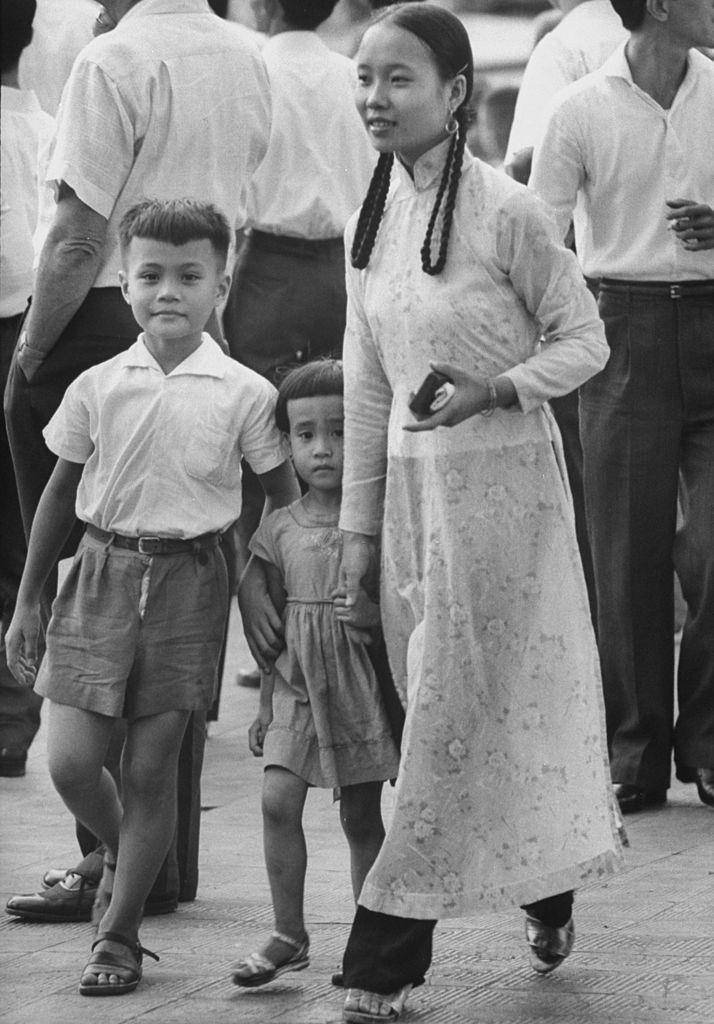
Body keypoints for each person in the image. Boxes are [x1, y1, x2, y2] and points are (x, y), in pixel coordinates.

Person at [298, 5, 620, 1021]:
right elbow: (362, 382)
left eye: (398, 80)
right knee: (463, 712)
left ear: (454, 93)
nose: (374, 99)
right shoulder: (375, 213)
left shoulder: (510, 211)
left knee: (447, 719)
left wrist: (494, 387)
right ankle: (549, 882)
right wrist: (355, 534)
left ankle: (384, 963)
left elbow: (586, 339)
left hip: (505, 500)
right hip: (408, 506)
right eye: (363, 78)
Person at [3, 0, 271, 917]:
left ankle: (111, 865)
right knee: (176, 606)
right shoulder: (248, 56)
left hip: (106, 316)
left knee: (97, 588)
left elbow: (80, 236)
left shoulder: (114, 59)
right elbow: (240, 214)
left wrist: (32, 351)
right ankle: (162, 866)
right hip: (204, 310)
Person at [5, 197, 298, 997]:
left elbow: (282, 497)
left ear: (221, 285)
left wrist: (257, 582)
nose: (169, 291)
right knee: (69, 763)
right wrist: (30, 599)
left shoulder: (242, 393)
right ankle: (134, 853)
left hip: (190, 584)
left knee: (151, 772)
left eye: (189, 276)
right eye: (151, 275)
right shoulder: (99, 385)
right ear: (125, 283)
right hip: (97, 574)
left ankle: (120, 934)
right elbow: (61, 496)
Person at [530, 0, 714, 813]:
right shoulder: (580, 110)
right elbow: (538, 244)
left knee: (712, 549)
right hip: (620, 330)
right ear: (665, 3)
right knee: (626, 553)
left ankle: (708, 743)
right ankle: (633, 752)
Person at [231, 360, 400, 989]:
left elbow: (409, 606)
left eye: (339, 431)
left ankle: (370, 939)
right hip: (297, 693)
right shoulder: (276, 529)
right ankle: (288, 933)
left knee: (360, 819)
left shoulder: (381, 522)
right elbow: (270, 631)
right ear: (287, 443)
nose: (323, 448)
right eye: (305, 435)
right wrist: (265, 706)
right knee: (277, 802)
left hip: (357, 693)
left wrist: (374, 612)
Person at [223, 0, 376, 689]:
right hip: (342, 267)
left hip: (269, 268)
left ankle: (275, 632)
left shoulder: (250, 68)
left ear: (264, 5)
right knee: (337, 440)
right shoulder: (355, 75)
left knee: (263, 447)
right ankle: (325, 615)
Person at [0, 0, 54, 780]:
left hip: (23, 335)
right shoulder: (52, 129)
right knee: (20, 534)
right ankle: (12, 720)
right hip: (36, 333)